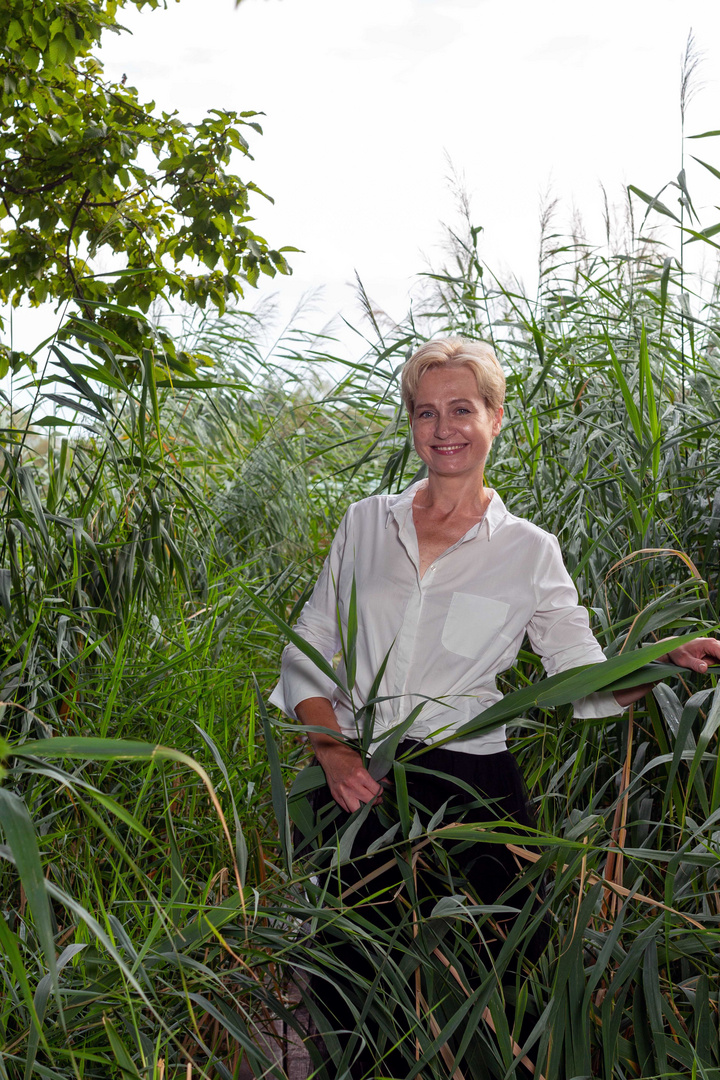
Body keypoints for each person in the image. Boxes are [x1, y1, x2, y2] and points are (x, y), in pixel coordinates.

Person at [269, 337, 720, 1078]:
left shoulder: (528, 550)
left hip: (473, 782)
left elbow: (582, 678)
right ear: (410, 425)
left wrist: (658, 662)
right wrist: (332, 748)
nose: (443, 427)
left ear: (495, 418)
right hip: (361, 783)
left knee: (503, 969)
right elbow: (308, 647)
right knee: (351, 972)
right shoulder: (363, 524)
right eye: (425, 412)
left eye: (462, 408)